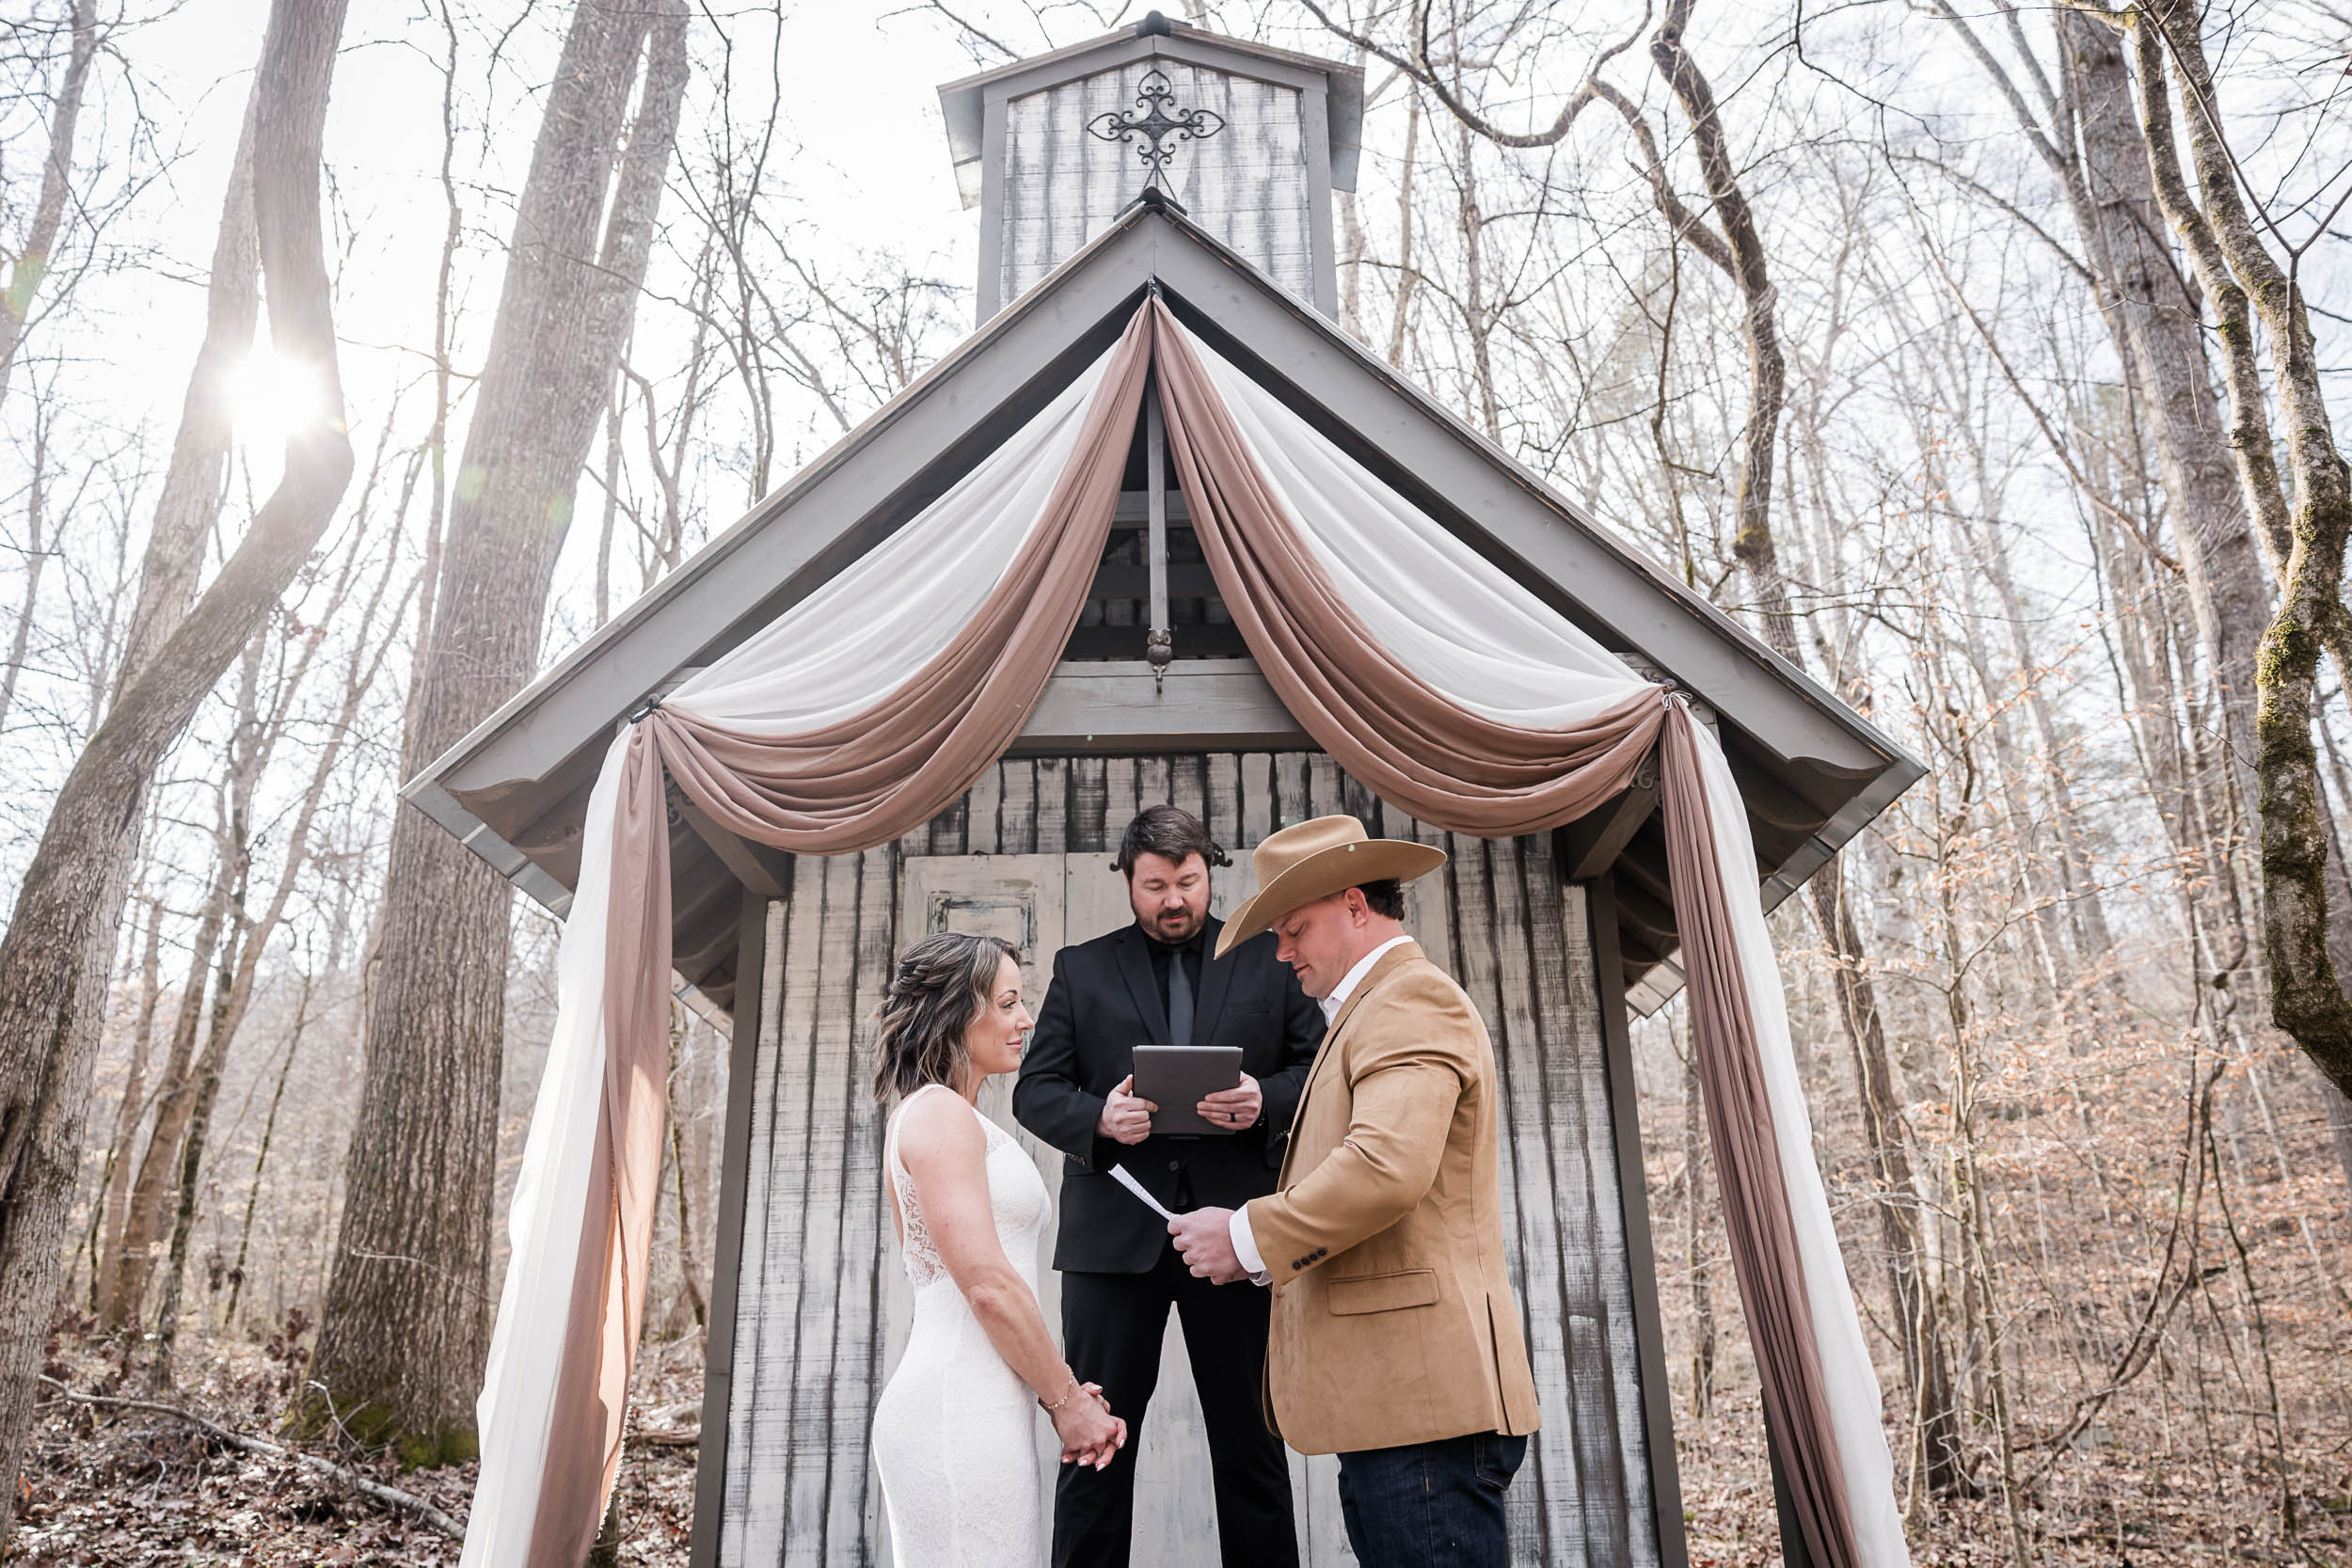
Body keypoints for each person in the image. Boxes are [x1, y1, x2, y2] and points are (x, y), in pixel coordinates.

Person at [1167, 815, 1542, 1568]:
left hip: (1422, 1414)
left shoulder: (1407, 999)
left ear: (1355, 905)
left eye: (1294, 929)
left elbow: (1384, 1167)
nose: (1282, 952)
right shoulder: (1371, 1010)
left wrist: (1244, 1237)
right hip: (1397, 1410)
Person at [1013, 805, 1322, 1568]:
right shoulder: (1080, 967)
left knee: (1252, 1445)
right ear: (1128, 881)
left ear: (1209, 872)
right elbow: (1034, 1090)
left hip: (1237, 1236)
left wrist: (1265, 1099)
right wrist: (1099, 1116)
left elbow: (1318, 1067)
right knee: (1096, 1446)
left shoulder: (1270, 959)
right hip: (1112, 1246)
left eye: (1187, 881)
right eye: (1155, 886)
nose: (1174, 899)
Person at [870, 931, 1128, 1568]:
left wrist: (1060, 1389)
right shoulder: (938, 1114)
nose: (1026, 1019)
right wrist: (1067, 1401)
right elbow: (987, 1285)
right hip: (956, 1408)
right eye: (1008, 1003)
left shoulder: (957, 1116)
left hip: (986, 1404)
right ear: (958, 1011)